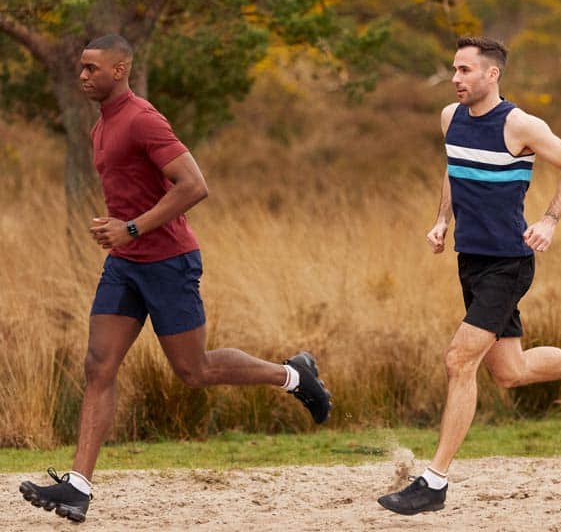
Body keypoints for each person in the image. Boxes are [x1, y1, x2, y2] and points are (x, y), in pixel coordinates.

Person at [18, 34, 332, 524]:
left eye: (90, 68)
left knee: (194, 372)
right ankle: (78, 488)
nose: (81, 75)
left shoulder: (144, 119)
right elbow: (133, 193)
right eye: (79, 68)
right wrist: (116, 227)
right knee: (99, 365)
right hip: (124, 266)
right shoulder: (100, 128)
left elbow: (194, 185)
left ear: (120, 70)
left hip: (168, 262)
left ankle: (293, 376)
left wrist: (132, 228)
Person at [377, 36, 561, 516]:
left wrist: (549, 221)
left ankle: (434, 482)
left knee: (460, 361)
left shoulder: (519, 124)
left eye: (465, 70)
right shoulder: (450, 118)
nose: (456, 78)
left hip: (508, 262)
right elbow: (454, 168)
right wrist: (443, 219)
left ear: (491, 74)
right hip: (471, 260)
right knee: (509, 371)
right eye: (454, 70)